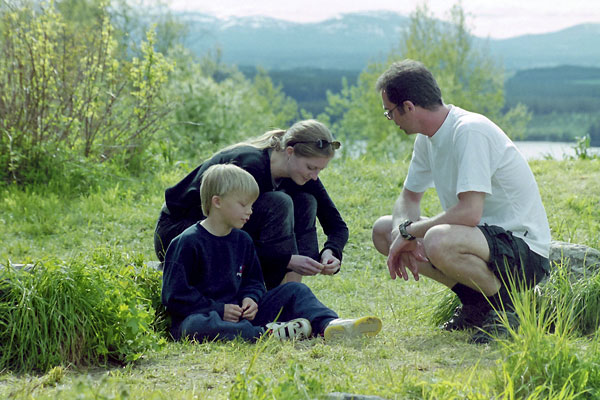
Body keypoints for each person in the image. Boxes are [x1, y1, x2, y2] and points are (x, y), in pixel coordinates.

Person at [371, 59, 551, 344]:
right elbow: (409, 196)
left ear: (408, 106)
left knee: (438, 239)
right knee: (383, 230)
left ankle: (509, 311)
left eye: (389, 112)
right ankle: (476, 305)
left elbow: (469, 212)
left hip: (523, 250)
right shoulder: (427, 139)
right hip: (480, 242)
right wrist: (398, 233)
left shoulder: (469, 131)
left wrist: (410, 232)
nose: (390, 119)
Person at [161, 163, 382, 342]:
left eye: (252, 205)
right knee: (194, 326)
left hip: (243, 316)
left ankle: (331, 325)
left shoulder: (243, 240)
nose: (250, 211)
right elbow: (174, 297)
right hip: (206, 317)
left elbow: (254, 282)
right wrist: (219, 310)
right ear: (217, 202)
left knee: (295, 290)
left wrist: (251, 298)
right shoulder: (187, 242)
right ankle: (268, 334)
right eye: (243, 204)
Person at [154, 119, 349, 290]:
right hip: (181, 234)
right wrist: (284, 260)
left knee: (305, 201)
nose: (314, 176)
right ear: (289, 152)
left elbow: (337, 225)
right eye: (311, 167)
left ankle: (289, 295)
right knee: (279, 203)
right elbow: (227, 234)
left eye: (319, 170)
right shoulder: (250, 166)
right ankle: (273, 296)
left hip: (228, 232)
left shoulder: (300, 174)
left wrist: (331, 251)